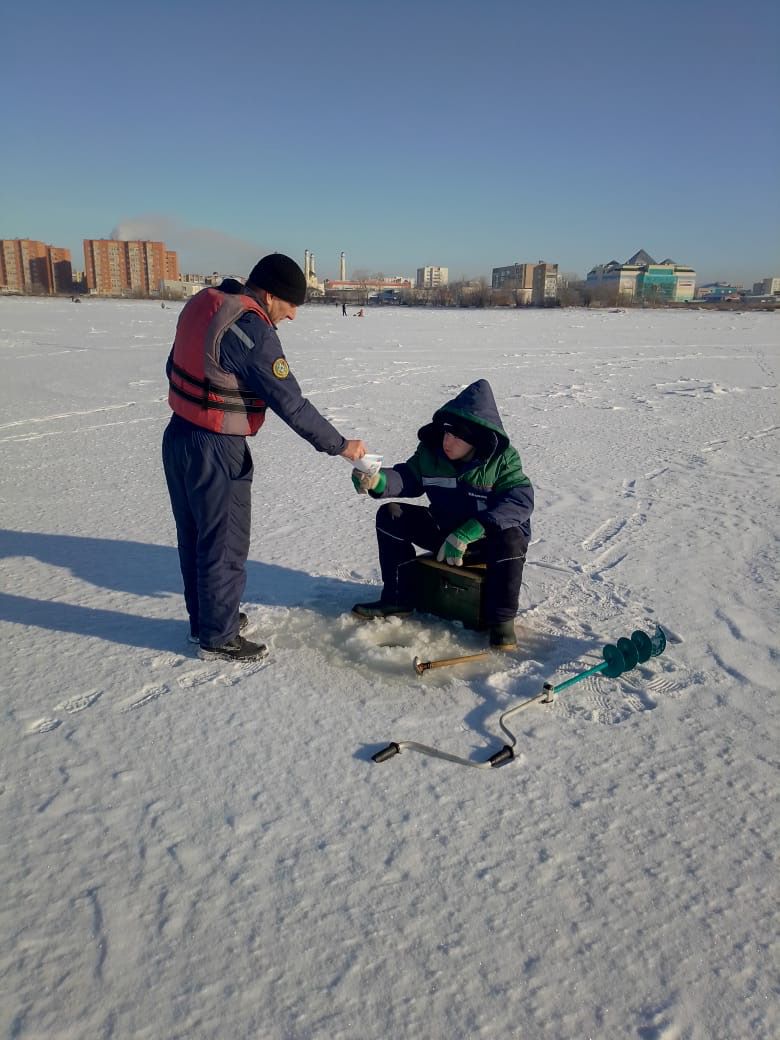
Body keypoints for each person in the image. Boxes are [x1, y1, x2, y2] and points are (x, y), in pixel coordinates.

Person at [163, 253, 366, 662]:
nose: (292, 316)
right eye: (291, 306)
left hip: (179, 433)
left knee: (196, 538)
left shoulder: (209, 301)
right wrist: (341, 445)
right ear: (270, 295)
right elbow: (291, 404)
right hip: (216, 446)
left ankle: (205, 622)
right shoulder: (251, 329)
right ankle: (218, 638)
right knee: (224, 542)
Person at [351, 379, 533, 650]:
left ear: (477, 438)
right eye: (446, 433)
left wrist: (471, 530)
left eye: (457, 436)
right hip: (445, 532)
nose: (448, 441)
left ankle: (501, 622)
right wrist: (378, 481)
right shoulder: (431, 453)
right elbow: (408, 477)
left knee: (512, 537)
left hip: (485, 541)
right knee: (391, 515)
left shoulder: (502, 460)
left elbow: (520, 501)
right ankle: (397, 598)